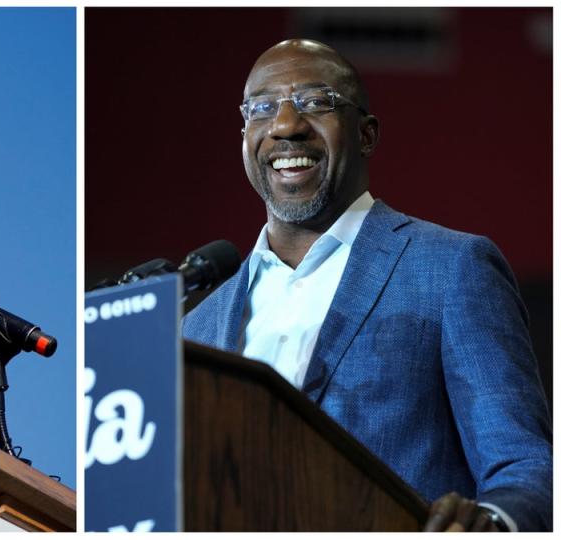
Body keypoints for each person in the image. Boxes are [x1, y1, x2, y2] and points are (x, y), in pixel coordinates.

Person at [182, 39, 551, 532]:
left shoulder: (451, 267)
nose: (286, 125)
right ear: (245, 134)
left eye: (316, 102)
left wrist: (489, 522)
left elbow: (525, 468)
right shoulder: (196, 327)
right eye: (263, 108)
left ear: (366, 134)